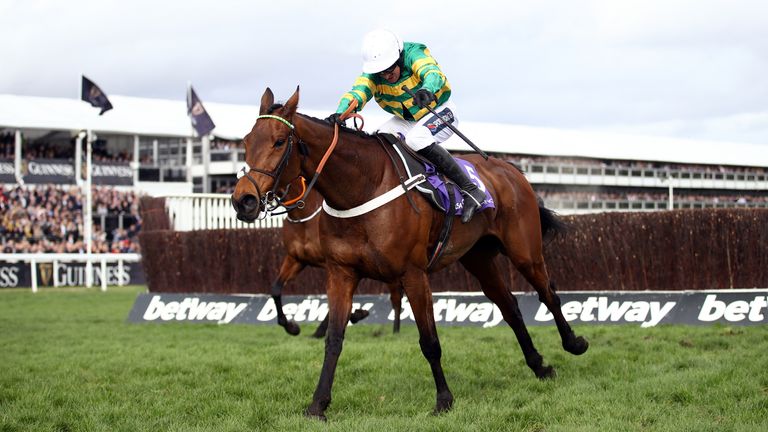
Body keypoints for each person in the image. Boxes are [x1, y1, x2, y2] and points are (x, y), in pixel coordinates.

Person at [327, 29, 486, 223]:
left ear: (399, 59)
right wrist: (340, 113)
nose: (385, 76)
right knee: (380, 136)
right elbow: (358, 92)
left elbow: (432, 72)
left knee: (416, 139)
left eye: (389, 70)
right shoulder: (374, 74)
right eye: (380, 72)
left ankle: (471, 190)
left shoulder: (414, 54)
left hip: (441, 111)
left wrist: (428, 89)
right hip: (408, 120)